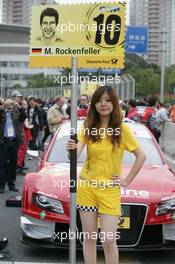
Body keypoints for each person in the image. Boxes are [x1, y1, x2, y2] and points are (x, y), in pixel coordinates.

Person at [66, 86, 146, 264]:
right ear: (94, 104)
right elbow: (75, 155)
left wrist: (126, 180)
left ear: (114, 103)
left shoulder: (122, 130)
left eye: (108, 100)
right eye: (99, 100)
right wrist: (70, 148)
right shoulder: (88, 127)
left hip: (109, 191)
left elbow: (141, 156)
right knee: (89, 238)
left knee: (109, 239)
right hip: (87, 188)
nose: (103, 104)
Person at [0, 99, 26, 193]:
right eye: (8, 105)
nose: (10, 107)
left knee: (13, 163)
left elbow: (23, 117)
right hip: (4, 141)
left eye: (11, 105)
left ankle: (11, 184)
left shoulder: (16, 113)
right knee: (2, 164)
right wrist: (3, 107)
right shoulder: (2, 113)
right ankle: (1, 185)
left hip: (14, 141)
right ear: (5, 105)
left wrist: (19, 107)